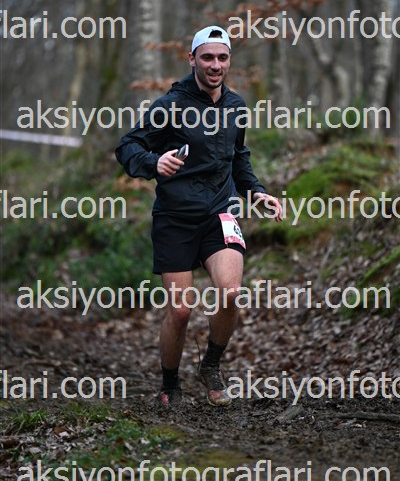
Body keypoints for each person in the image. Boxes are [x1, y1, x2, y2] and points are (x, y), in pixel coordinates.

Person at [116, 25, 282, 407]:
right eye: (207, 57)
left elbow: (239, 158)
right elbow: (127, 147)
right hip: (175, 217)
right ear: (192, 59)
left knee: (230, 293)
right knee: (180, 311)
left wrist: (256, 192)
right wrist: (154, 162)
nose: (215, 65)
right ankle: (169, 384)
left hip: (220, 212)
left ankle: (211, 365)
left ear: (229, 61)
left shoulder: (236, 106)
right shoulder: (170, 106)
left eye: (222, 58)